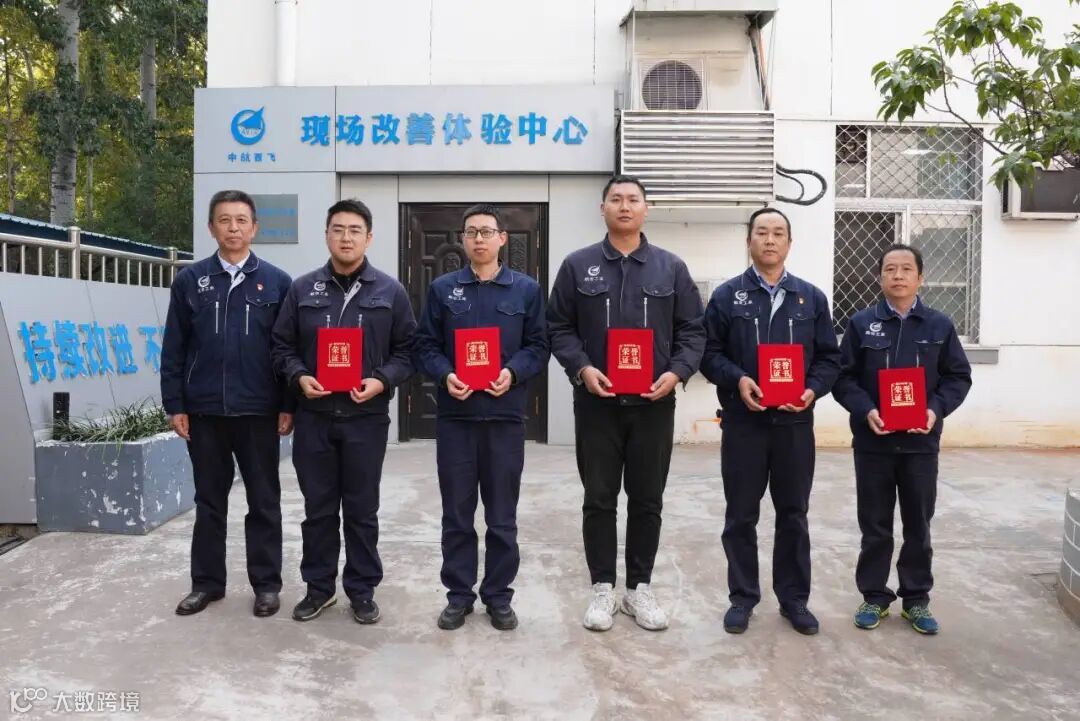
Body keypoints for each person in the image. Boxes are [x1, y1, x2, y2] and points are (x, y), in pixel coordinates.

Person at [547, 175, 705, 632]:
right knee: (599, 498)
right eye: (615, 199)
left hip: (653, 404)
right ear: (602, 209)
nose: (624, 206)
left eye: (633, 199)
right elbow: (558, 326)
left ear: (645, 209)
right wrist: (582, 368)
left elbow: (693, 329)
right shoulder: (578, 266)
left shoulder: (670, 268)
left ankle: (639, 588)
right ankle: (602, 587)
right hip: (597, 403)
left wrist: (677, 372)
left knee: (647, 498)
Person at [271, 199, 416, 625]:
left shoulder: (390, 291)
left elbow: (409, 351)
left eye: (355, 230)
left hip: (366, 420)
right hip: (314, 417)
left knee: (361, 510)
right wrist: (299, 376)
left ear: (368, 238)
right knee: (318, 510)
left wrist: (381, 380)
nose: (346, 238)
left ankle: (362, 590)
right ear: (327, 235)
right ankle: (319, 588)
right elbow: (281, 346)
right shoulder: (302, 290)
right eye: (338, 229)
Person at [700, 207, 840, 635]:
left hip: (794, 426)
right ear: (749, 241)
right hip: (744, 423)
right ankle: (742, 598)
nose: (770, 240)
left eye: (778, 233)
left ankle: (794, 600)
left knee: (793, 513)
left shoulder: (811, 299)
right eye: (762, 232)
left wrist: (812, 389)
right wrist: (738, 379)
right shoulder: (727, 297)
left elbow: (829, 358)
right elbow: (708, 354)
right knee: (741, 515)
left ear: (789, 243)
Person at [413, 204, 549, 631]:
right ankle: (458, 596)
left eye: (487, 232)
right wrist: (445, 374)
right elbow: (425, 345)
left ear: (502, 239)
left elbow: (539, 346)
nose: (479, 239)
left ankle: (498, 596)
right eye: (471, 232)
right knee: (457, 514)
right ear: (463, 239)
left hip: (505, 419)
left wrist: (513, 373)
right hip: (456, 419)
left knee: (501, 517)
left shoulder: (525, 290)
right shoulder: (443, 289)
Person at [162, 189, 294, 618]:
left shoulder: (277, 282)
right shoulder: (190, 281)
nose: (233, 228)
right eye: (224, 220)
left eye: (241, 221)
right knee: (209, 502)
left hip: (258, 411)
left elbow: (287, 350)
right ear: (211, 228)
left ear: (254, 228)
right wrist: (175, 404)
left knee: (264, 501)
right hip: (205, 412)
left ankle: (266, 585)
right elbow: (174, 348)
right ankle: (206, 584)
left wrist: (287, 404)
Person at [833, 243, 971, 635]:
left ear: (920, 277)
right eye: (890, 269)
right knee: (875, 525)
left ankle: (916, 599)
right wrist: (865, 410)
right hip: (873, 443)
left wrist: (935, 410)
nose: (897, 275)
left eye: (906, 269)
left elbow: (958, 377)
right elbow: (843, 377)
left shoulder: (939, 325)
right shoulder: (862, 324)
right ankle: (874, 596)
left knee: (918, 524)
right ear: (879, 277)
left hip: (920, 444)